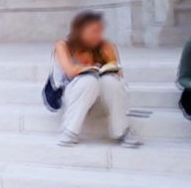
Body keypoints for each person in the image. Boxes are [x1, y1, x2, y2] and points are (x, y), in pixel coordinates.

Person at [52, 10, 143, 147]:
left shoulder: (106, 46)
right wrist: (88, 69)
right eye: (94, 31)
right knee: (88, 81)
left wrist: (109, 70)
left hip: (102, 96)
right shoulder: (63, 46)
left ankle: (122, 130)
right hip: (74, 94)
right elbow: (70, 71)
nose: (98, 35)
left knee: (111, 82)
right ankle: (70, 130)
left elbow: (117, 72)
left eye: (100, 31)